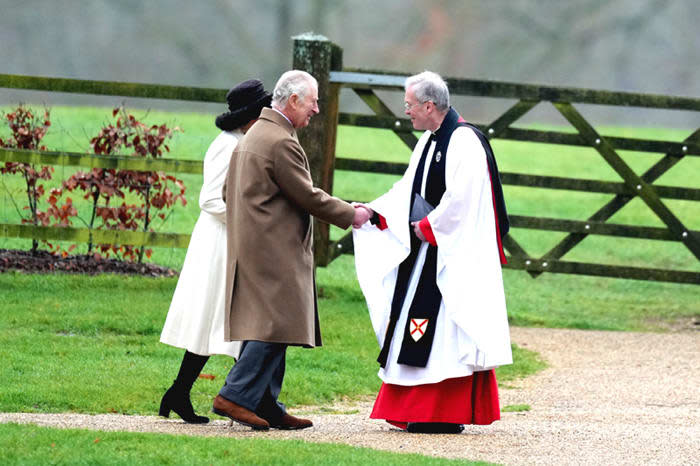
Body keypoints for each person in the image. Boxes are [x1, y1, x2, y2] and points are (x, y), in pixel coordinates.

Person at [352, 71, 512, 434]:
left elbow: (464, 200)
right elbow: (407, 190)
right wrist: (374, 212)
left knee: (445, 332)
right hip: (426, 254)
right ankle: (416, 409)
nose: (405, 112)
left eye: (409, 105)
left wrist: (426, 227)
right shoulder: (427, 141)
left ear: (428, 105)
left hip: (451, 256)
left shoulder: (465, 142)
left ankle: (442, 411)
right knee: (417, 329)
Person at [211, 70, 370, 431]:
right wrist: (352, 213)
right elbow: (307, 195)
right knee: (275, 325)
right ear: (294, 100)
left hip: (254, 245)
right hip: (273, 250)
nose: (316, 109)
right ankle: (234, 396)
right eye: (313, 101)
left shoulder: (253, 136)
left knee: (272, 323)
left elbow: (226, 193)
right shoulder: (280, 141)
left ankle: (266, 402)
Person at [159, 79, 272, 424]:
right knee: (219, 319)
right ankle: (243, 399)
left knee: (221, 321)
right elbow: (209, 199)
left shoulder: (242, 141)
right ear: (251, 115)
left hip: (229, 238)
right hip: (220, 241)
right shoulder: (229, 145)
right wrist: (249, 221)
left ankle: (186, 392)